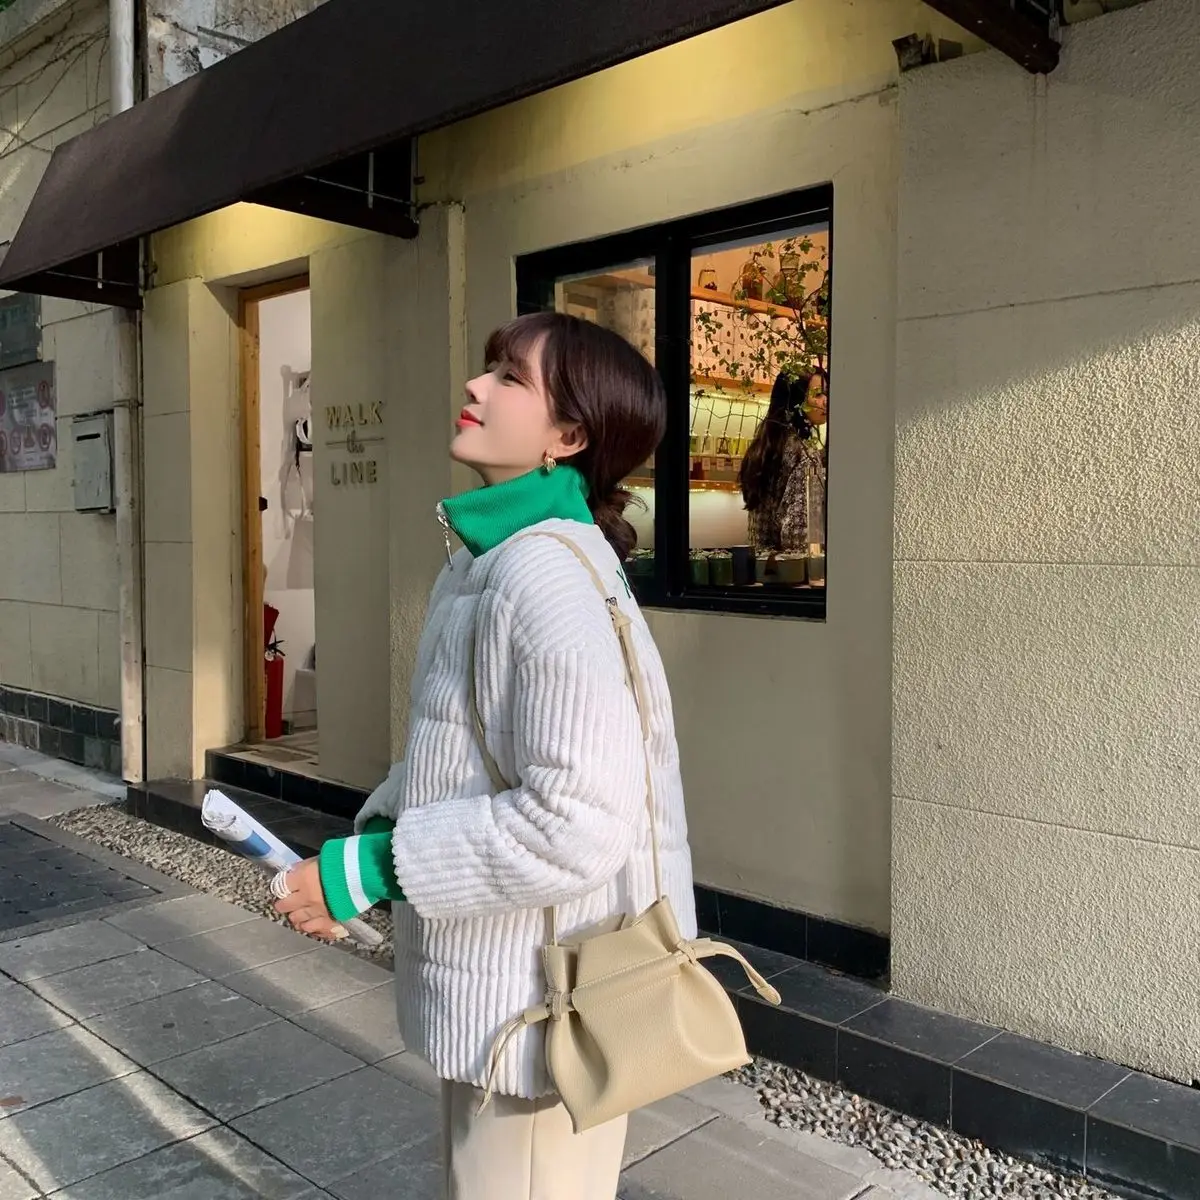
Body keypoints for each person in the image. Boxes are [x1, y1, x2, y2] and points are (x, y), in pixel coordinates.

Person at [273, 311, 697, 1200]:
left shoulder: (540, 575)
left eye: (509, 377)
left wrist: (375, 868)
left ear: (568, 437)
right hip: (513, 988)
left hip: (539, 1009)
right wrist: (360, 862)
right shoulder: (491, 560)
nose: (475, 385)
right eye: (489, 368)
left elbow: (577, 819)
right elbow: (464, 758)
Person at [740, 369, 827, 554]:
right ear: (797, 400)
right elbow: (798, 535)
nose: (825, 401)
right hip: (791, 567)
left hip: (761, 563)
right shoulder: (804, 454)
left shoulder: (764, 447)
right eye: (818, 394)